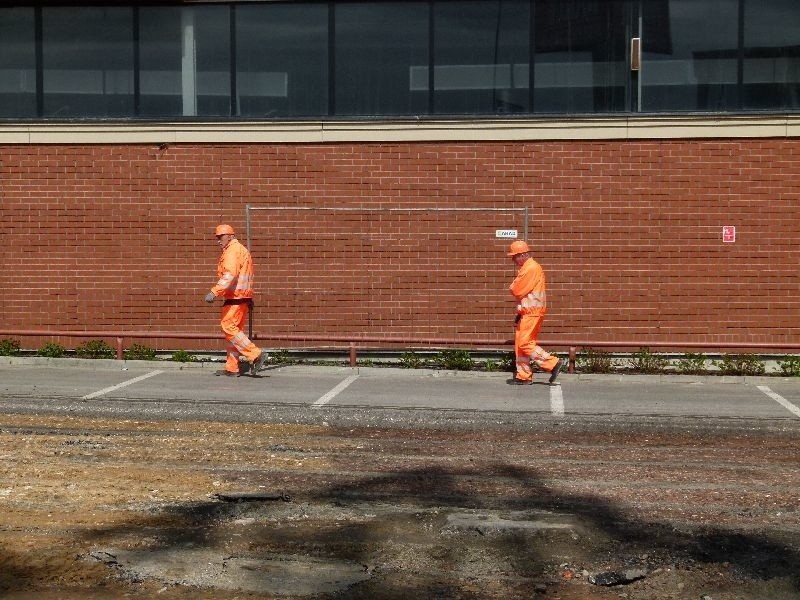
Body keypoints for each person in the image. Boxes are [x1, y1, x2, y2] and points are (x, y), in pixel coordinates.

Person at [204, 224, 268, 377]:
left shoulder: (232, 251)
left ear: (230, 236)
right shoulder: (239, 249)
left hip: (236, 297)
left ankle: (256, 354)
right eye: (217, 238)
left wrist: (214, 291)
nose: (219, 241)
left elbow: (230, 274)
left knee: (228, 327)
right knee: (234, 332)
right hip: (241, 297)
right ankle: (232, 368)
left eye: (221, 237)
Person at [506, 240, 563, 385]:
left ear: (523, 255)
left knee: (525, 343)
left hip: (532, 312)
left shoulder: (530, 268)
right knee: (521, 344)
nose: (513, 259)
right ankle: (524, 376)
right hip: (528, 312)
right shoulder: (529, 267)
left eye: (514, 256)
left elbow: (516, 289)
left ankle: (552, 363)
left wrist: (514, 286)